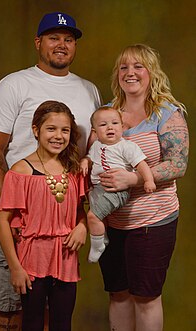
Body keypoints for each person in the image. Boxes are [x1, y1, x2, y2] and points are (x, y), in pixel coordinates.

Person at [0, 11, 101, 331]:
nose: (62, 44)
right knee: (12, 302)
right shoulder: (14, 84)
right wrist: (15, 212)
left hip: (62, 217)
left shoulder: (89, 90)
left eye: (68, 39)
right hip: (20, 211)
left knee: (53, 305)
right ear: (38, 43)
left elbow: (88, 158)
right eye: (53, 37)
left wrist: (80, 218)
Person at [98, 44, 189, 331]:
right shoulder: (108, 114)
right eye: (124, 67)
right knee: (118, 294)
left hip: (152, 221)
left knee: (146, 298)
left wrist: (135, 178)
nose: (130, 72)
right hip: (113, 223)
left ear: (151, 72)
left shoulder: (167, 114)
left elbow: (178, 164)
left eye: (138, 66)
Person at [0, 100, 86, 331]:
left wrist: (82, 227)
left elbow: (79, 211)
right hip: (31, 261)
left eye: (65, 130)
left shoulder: (74, 170)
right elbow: (3, 221)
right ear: (36, 130)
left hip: (65, 259)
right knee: (32, 322)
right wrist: (15, 267)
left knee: (62, 323)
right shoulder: (20, 171)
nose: (58, 136)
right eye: (51, 129)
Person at [80, 106, 156, 263]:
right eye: (103, 125)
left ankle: (97, 245)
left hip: (115, 191)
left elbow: (142, 165)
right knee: (99, 215)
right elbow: (90, 157)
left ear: (122, 127)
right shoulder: (97, 145)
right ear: (94, 131)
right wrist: (85, 161)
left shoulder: (126, 146)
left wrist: (148, 180)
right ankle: (103, 237)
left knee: (93, 216)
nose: (109, 127)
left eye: (115, 123)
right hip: (98, 189)